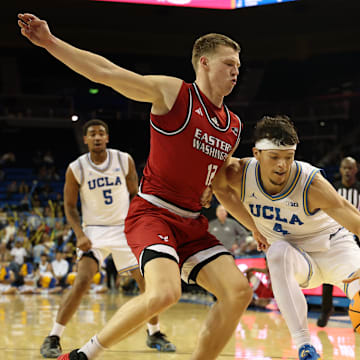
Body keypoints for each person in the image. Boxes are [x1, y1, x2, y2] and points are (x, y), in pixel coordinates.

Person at [17, 12, 269, 360]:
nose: (236, 70)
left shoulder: (233, 125)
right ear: (205, 63)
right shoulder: (173, 94)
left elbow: (222, 188)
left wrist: (256, 227)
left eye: (238, 65)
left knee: (239, 291)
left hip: (192, 224)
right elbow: (107, 73)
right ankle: (81, 355)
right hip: (152, 214)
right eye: (229, 63)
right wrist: (50, 42)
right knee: (165, 293)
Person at [212, 115, 360, 360]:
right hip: (296, 257)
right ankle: (305, 346)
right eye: (275, 157)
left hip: (335, 249)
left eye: (288, 157)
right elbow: (220, 190)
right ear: (257, 154)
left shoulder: (310, 184)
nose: (282, 165)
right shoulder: (239, 174)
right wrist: (254, 227)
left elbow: (352, 217)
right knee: (277, 252)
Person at [40, 119, 175, 358]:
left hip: (124, 229)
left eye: (101, 133)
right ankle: (53, 336)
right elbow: (70, 207)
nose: (97, 137)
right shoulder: (77, 167)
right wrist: (79, 234)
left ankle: (154, 333)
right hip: (93, 231)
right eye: (92, 134)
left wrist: (140, 226)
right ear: (85, 139)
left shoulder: (124, 160)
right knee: (82, 282)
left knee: (147, 284)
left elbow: (135, 194)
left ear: (107, 137)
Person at [317, 156, 360, 327]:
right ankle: (326, 309)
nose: (348, 171)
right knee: (329, 272)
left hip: (357, 236)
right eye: (344, 168)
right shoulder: (333, 190)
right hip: (337, 236)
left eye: (351, 168)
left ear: (356, 169)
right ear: (340, 170)